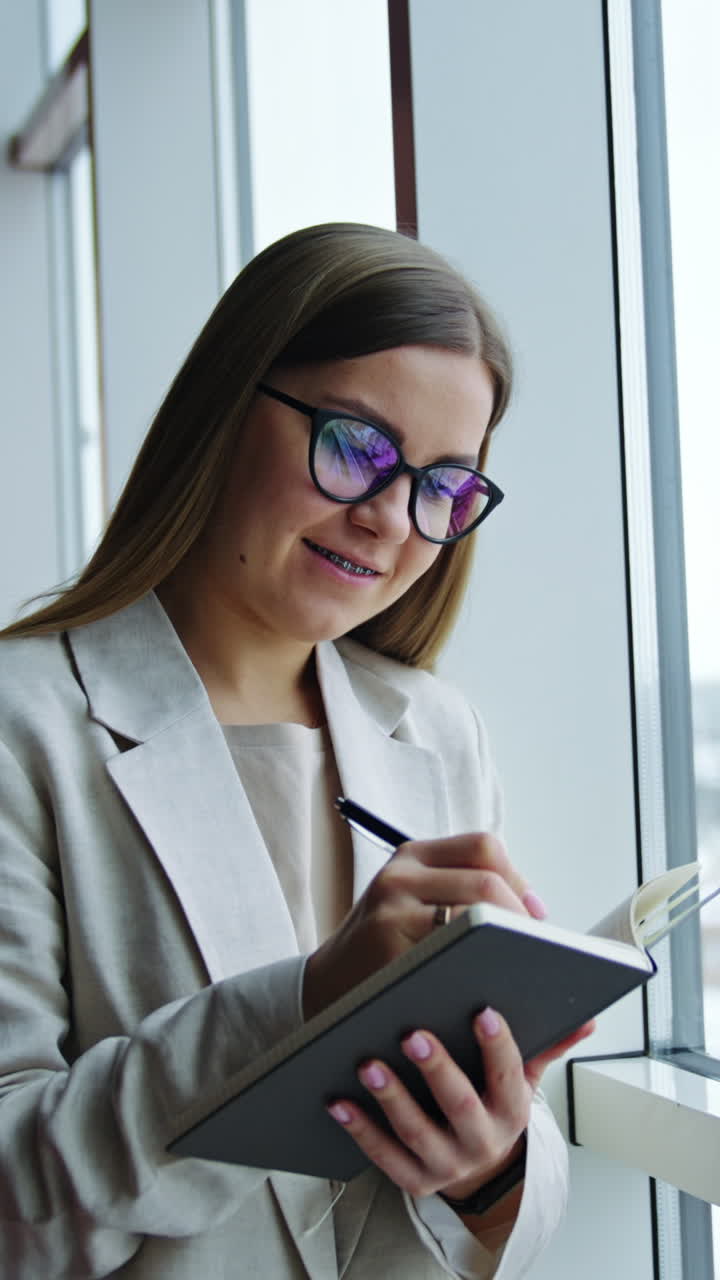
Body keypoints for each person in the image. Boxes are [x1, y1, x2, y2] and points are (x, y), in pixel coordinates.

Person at [0, 222, 592, 1279]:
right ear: (229, 407)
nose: (386, 518)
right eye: (356, 445)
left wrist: (488, 1167)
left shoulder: (435, 730)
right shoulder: (27, 725)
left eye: (442, 486)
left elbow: (518, 1192)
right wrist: (309, 1006)